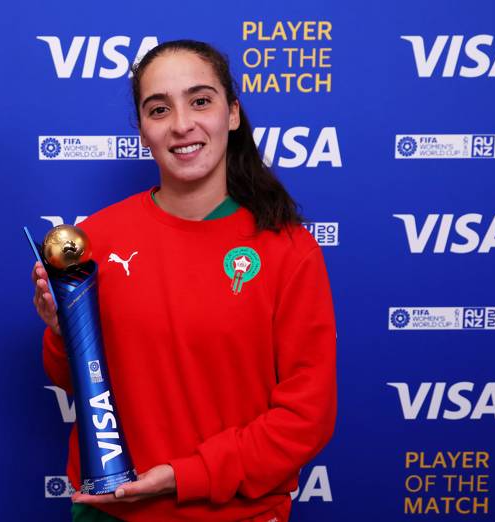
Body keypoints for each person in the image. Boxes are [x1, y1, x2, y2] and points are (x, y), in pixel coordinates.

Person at [32, 40, 336, 522]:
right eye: (159, 109)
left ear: (232, 113)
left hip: (237, 514)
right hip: (111, 513)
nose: (181, 124)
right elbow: (77, 381)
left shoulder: (287, 248)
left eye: (200, 100)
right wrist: (58, 329)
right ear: (142, 130)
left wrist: (184, 475)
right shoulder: (96, 238)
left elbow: (305, 418)